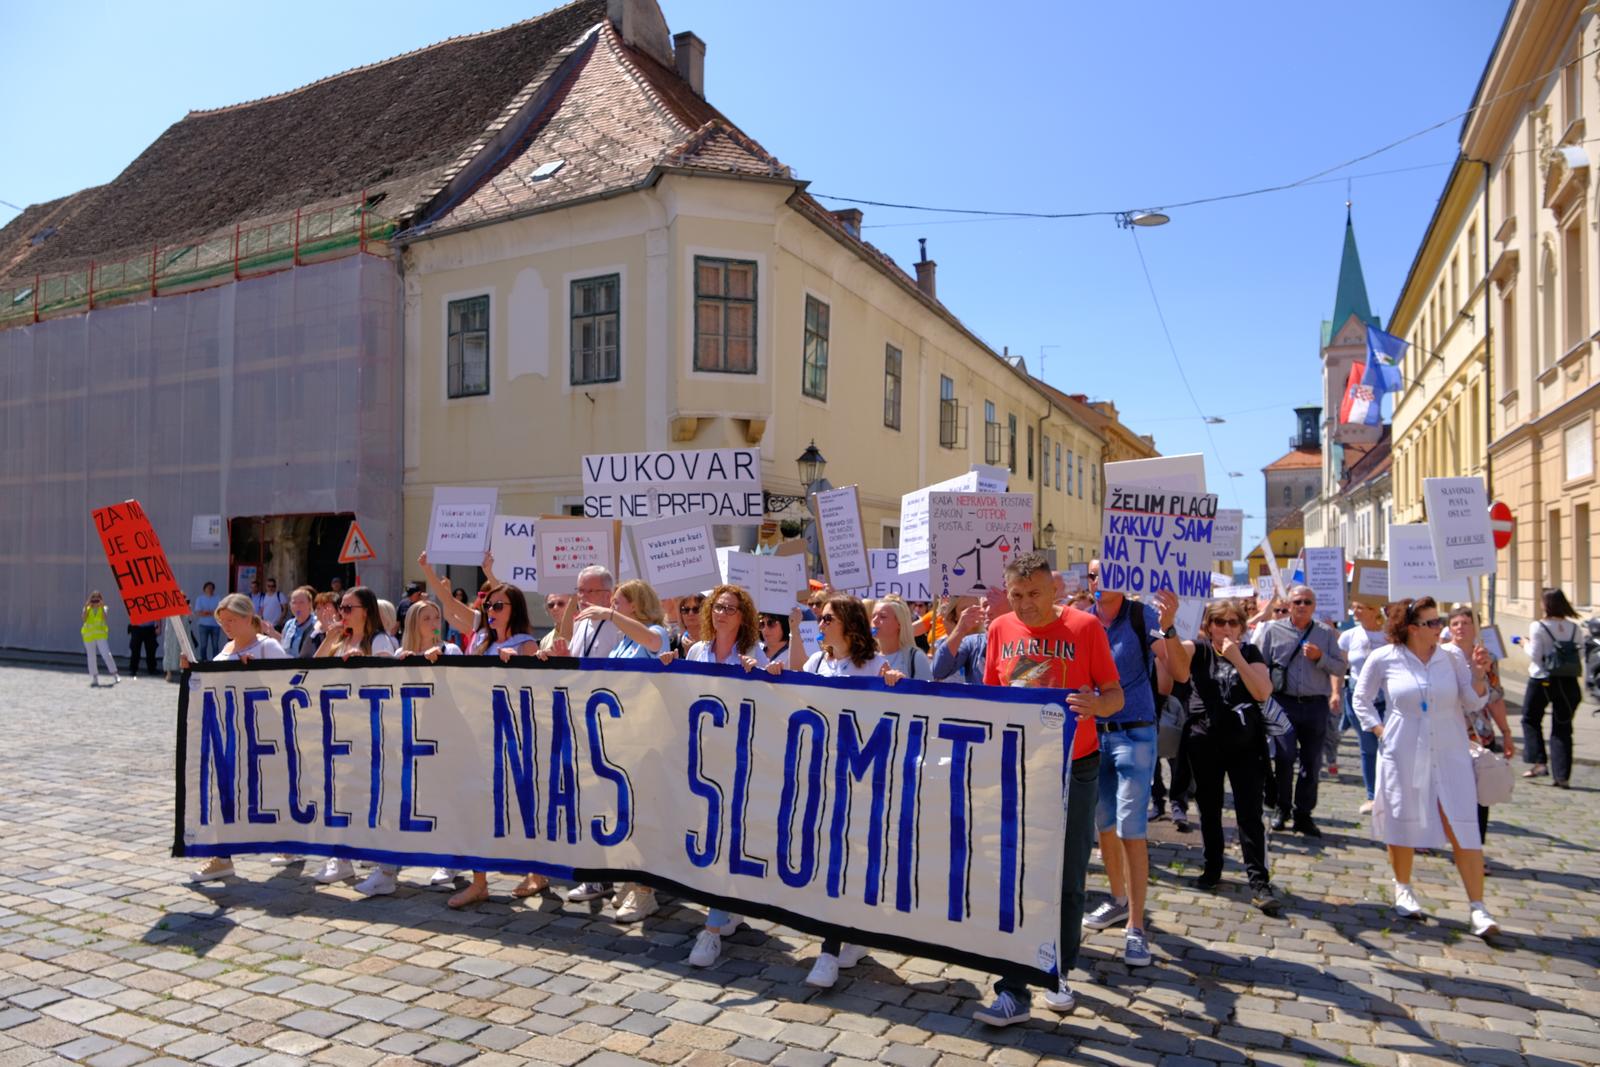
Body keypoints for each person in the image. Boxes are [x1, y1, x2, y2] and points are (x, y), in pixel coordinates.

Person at [974, 552, 1122, 1027]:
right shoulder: (999, 630)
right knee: (1014, 874)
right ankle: (1012, 989)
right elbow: (989, 697)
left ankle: (1056, 970)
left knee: (1066, 876)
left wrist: (1096, 704)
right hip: (1016, 766)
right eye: (1016, 595)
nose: (1024, 605)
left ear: (1054, 590)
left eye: (1034, 594)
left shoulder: (1085, 628)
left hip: (1075, 766)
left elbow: (1116, 695)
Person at [1352, 598, 1497, 938]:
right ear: (1412, 628)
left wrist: (1478, 674)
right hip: (1403, 749)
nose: (1440, 628)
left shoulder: (1452, 657)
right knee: (1403, 818)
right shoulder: (1384, 657)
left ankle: (1478, 907)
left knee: (1463, 822)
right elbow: (1361, 698)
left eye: (1440, 621)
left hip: (1449, 750)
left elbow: (1475, 701)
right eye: (1432, 623)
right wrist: (1378, 729)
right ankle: (1403, 887)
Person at [764, 593, 887, 987]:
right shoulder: (818, 662)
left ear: (849, 622)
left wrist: (897, 686)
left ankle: (830, 951)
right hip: (821, 771)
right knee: (830, 854)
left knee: (847, 854)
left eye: (828, 618)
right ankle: (851, 933)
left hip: (859, 775)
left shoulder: (875, 665)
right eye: (821, 618)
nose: (822, 624)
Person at [1078, 563, 1189, 968]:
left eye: (1104, 573)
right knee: (1104, 822)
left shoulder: (1142, 616)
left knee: (1130, 826)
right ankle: (1119, 900)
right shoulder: (1082, 620)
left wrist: (1171, 626)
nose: (1096, 581)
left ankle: (1137, 927)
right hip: (1092, 733)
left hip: (1135, 733)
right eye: (1091, 575)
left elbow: (1179, 671)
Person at [349, 600, 464, 898]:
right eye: (425, 617)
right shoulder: (400, 655)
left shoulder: (451, 650)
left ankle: (450, 859)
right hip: (408, 737)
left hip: (445, 736)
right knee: (397, 803)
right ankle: (387, 870)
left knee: (445, 801)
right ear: (413, 623)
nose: (433, 621)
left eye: (436, 616)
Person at [679, 585, 768, 968]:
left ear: (743, 616)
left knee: (723, 839)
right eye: (717, 607)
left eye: (730, 608)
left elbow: (770, 700)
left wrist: (759, 676)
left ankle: (712, 930)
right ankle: (729, 907)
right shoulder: (697, 651)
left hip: (736, 760)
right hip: (700, 757)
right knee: (706, 838)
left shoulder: (752, 654)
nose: (721, 613)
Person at [1180, 601, 1281, 914]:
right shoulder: (1197, 650)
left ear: (1242, 626)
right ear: (1208, 625)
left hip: (1245, 745)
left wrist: (1235, 656)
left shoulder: (1250, 654)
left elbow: (1263, 691)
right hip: (1205, 743)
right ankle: (1212, 868)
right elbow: (1170, 653)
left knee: (1249, 814)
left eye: (1233, 622)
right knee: (1208, 810)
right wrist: (1170, 620)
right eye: (1220, 622)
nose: (1226, 628)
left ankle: (1258, 881)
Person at [452, 584, 546, 908]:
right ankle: (479, 881)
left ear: (514, 608)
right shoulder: (481, 641)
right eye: (488, 606)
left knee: (522, 804)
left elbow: (536, 690)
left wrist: (517, 664)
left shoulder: (527, 643)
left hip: (514, 734)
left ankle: (537, 870)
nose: (491, 612)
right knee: (476, 804)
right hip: (479, 732)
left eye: (498, 606)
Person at [186, 594, 289, 884]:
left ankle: (289, 841)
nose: (226, 626)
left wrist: (256, 674)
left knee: (273, 795)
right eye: (222, 622)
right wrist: (191, 671)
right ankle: (222, 856)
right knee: (226, 795)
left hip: (265, 736)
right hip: (229, 733)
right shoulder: (224, 651)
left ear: (248, 618)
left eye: (232, 620)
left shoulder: (268, 647)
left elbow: (290, 686)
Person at [309, 586, 399, 884]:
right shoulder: (341, 640)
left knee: (377, 796)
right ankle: (342, 856)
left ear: (366, 611)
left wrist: (366, 663)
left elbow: (390, 682)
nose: (342, 614)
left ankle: (385, 868)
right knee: (342, 795)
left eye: (348, 609)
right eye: (341, 608)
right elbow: (314, 672)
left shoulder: (380, 640)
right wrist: (330, 638)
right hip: (341, 728)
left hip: (372, 729)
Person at [1256, 585, 1347, 836]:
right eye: (1297, 602)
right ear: (1290, 604)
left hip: (1315, 704)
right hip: (1283, 703)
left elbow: (1340, 668)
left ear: (1314, 606)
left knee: (1311, 762)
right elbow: (1260, 665)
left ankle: (1303, 813)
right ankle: (1282, 808)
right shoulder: (1274, 630)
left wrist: (1321, 658)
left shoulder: (1325, 634)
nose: (1302, 606)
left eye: (1307, 602)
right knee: (1284, 758)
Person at [1445, 607, 1515, 843]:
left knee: (1479, 791)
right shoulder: (1441, 656)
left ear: (1476, 628)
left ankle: (1475, 845)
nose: (1460, 627)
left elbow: (1495, 698)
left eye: (1465, 622)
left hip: (1479, 733)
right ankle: (1445, 837)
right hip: (1450, 730)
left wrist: (1506, 732)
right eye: (1455, 623)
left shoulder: (1487, 658)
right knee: (1449, 789)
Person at [1520, 587, 1583, 788]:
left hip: (1542, 679)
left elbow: (1535, 655)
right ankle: (1562, 775)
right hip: (1568, 682)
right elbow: (1579, 654)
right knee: (1563, 727)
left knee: (1530, 718)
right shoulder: (1574, 627)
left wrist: (1523, 644)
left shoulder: (1538, 626)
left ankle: (1539, 762)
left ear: (1545, 604)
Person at [1335, 601, 1392, 814]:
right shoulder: (1349, 636)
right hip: (1357, 699)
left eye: (1360, 607)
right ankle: (1373, 796)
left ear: (1374, 608)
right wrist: (1335, 692)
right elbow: (1341, 669)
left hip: (1385, 699)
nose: (1355, 611)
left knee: (1388, 747)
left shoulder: (1389, 635)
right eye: (1354, 607)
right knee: (1368, 747)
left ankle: (1391, 793)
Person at [872, 596, 932, 680]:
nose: (875, 620)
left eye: (883, 616)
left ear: (900, 623)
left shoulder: (916, 658)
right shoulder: (866, 658)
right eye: (873, 616)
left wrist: (903, 685)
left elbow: (927, 692)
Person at [81, 592, 119, 687]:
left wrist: (101, 606)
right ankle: (95, 678)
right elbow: (84, 619)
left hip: (100, 635)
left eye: (97, 599)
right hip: (89, 636)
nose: (95, 601)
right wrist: (86, 607)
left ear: (101, 599)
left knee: (106, 654)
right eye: (93, 599)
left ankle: (115, 674)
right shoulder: (87, 608)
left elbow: (104, 618)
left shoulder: (104, 608)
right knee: (91, 657)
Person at [279, 586, 321, 657]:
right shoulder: (289, 624)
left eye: (301, 602)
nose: (297, 606)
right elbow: (283, 644)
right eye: (294, 603)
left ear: (310, 604)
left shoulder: (317, 623)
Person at [191, 582, 223, 662]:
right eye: (208, 588)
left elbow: (219, 612)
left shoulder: (217, 598)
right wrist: (211, 612)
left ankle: (216, 661)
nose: (209, 589)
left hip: (215, 625)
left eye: (211, 588)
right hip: (203, 625)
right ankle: (204, 661)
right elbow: (199, 613)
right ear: (204, 589)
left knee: (215, 645)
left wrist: (206, 612)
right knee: (203, 645)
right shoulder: (200, 598)